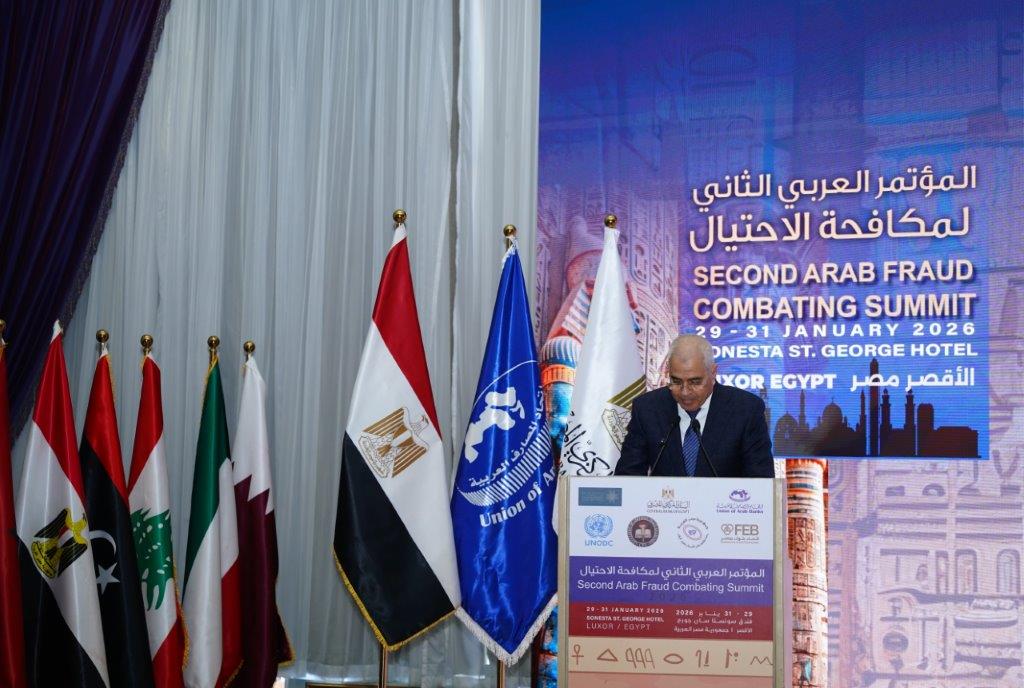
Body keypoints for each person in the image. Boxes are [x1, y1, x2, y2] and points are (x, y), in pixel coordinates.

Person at [615, 334, 774, 477]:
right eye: (676, 381)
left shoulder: (746, 410)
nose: (685, 392)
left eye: (695, 382)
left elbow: (761, 481)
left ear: (713, 373)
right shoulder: (648, 409)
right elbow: (627, 477)